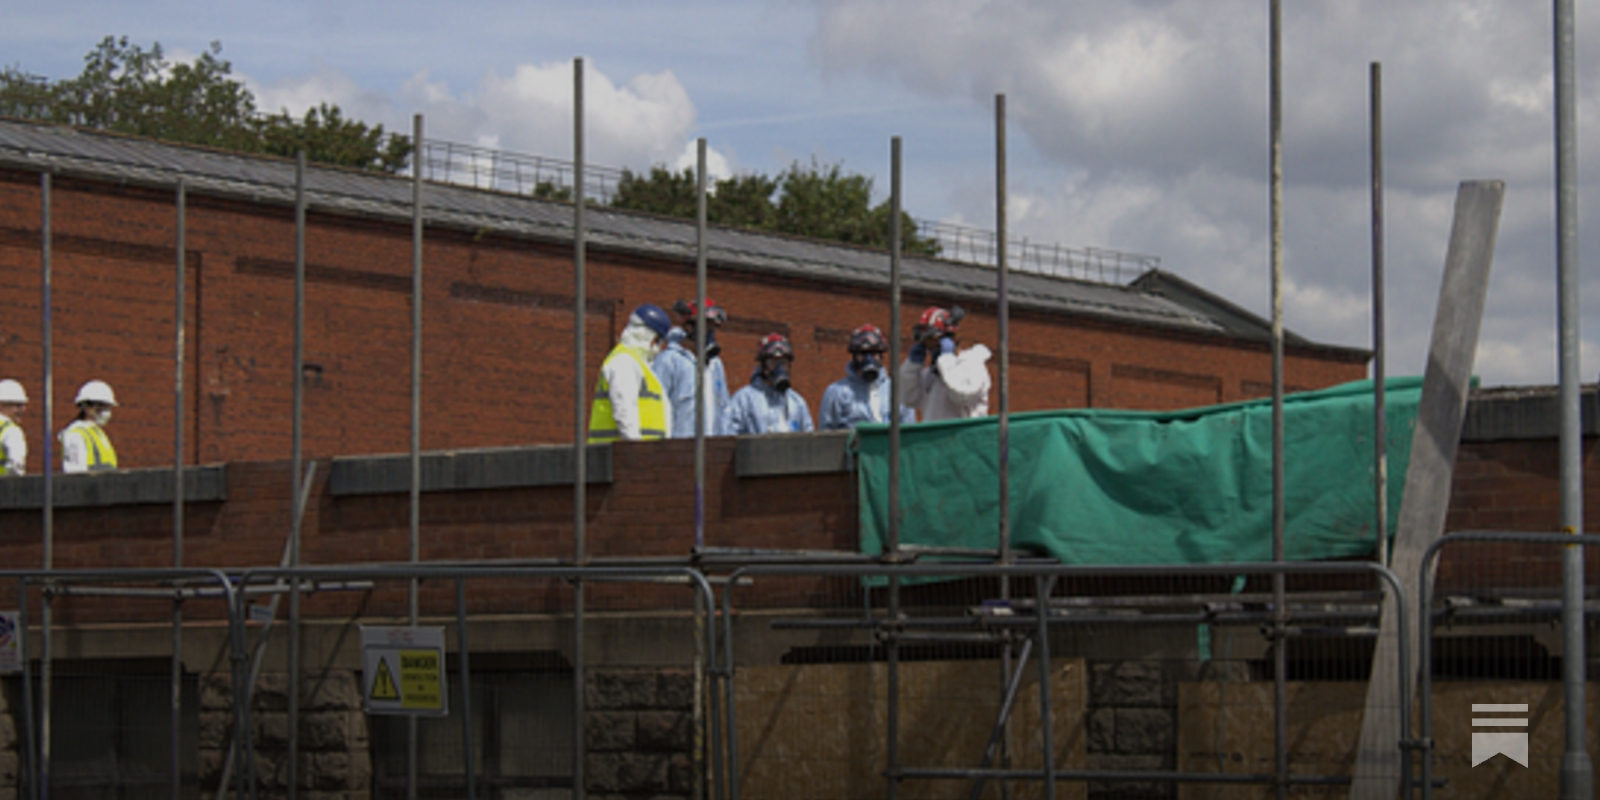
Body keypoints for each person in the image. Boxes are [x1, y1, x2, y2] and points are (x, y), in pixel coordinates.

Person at [588, 304, 674, 442]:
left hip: (641, 456)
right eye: (659, 342)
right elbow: (624, 413)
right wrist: (635, 453)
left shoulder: (641, 367)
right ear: (652, 340)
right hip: (615, 459)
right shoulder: (624, 362)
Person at [652, 298, 731, 438]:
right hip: (679, 452)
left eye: (713, 328)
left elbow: (725, 410)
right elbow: (655, 410)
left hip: (713, 450)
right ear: (689, 327)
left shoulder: (716, 365)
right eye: (706, 327)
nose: (711, 333)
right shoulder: (669, 361)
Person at [898, 306, 992, 421]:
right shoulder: (931, 375)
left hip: (965, 437)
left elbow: (962, 395)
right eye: (926, 344)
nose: (930, 348)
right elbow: (909, 399)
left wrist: (947, 358)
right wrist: (911, 368)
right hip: (935, 437)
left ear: (951, 339)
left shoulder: (972, 365)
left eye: (934, 342)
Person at [819, 325, 916, 430]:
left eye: (874, 353)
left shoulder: (896, 390)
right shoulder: (836, 392)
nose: (868, 359)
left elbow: (909, 432)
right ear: (854, 356)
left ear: (881, 355)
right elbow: (825, 437)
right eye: (863, 353)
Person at [725, 333, 814, 435]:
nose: (779, 368)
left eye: (783, 362)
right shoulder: (743, 400)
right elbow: (728, 437)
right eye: (773, 362)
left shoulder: (797, 402)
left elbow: (809, 439)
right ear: (762, 364)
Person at [61, 379, 118, 473]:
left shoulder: (98, 433)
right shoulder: (75, 434)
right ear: (86, 407)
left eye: (107, 407)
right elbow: (75, 473)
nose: (105, 411)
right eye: (101, 406)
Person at [0, 379, 28, 475]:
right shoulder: (11, 431)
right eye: (18, 405)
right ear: (2, 406)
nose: (23, 410)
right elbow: (16, 467)